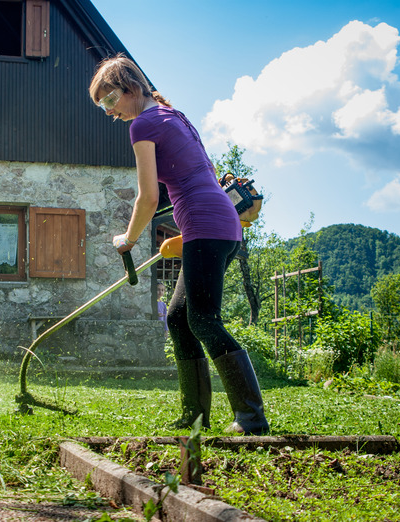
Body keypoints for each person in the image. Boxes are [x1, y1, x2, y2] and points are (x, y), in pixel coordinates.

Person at [89, 55, 269, 435]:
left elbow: (149, 197)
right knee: (179, 318)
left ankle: (251, 418)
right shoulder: (173, 115)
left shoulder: (143, 124)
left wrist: (129, 238)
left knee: (203, 319)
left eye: (109, 101)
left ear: (131, 89)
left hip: (207, 223)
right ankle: (195, 416)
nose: (108, 112)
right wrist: (184, 236)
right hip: (216, 223)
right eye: (102, 106)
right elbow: (193, 181)